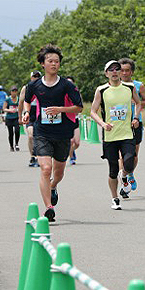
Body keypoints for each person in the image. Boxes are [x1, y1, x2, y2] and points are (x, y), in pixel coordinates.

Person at [22, 44, 83, 222]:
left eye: (56, 61)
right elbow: (27, 101)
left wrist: (60, 109)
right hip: (42, 132)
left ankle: (53, 186)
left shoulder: (66, 86)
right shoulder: (34, 85)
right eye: (50, 61)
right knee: (45, 168)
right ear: (43, 63)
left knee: (58, 173)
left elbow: (79, 107)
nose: (54, 64)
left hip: (63, 133)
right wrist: (26, 113)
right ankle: (49, 208)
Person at [90, 60, 142, 210]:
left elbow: (138, 103)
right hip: (110, 136)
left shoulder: (130, 87)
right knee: (113, 170)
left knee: (129, 163)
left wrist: (136, 117)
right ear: (106, 73)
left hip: (127, 133)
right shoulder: (101, 90)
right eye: (111, 70)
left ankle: (124, 176)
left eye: (117, 69)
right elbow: (93, 111)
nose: (114, 72)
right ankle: (115, 198)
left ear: (120, 72)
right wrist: (103, 124)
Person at [118, 58, 145, 190]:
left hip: (136, 123)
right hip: (120, 123)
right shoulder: (114, 86)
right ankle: (123, 181)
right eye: (122, 70)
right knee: (122, 155)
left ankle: (130, 174)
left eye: (127, 70)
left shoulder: (138, 85)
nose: (124, 73)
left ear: (132, 72)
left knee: (134, 155)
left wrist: (136, 103)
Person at [18, 70, 42, 167]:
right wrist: (20, 117)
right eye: (34, 77)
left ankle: (40, 156)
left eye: (37, 77)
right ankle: (33, 156)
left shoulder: (44, 86)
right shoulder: (26, 88)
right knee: (31, 135)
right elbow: (20, 102)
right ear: (31, 78)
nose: (35, 78)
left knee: (41, 137)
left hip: (40, 114)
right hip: (30, 114)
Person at [66, 76, 81, 165]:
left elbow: (80, 107)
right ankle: (71, 157)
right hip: (67, 121)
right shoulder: (62, 94)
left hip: (75, 120)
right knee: (71, 141)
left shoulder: (76, 94)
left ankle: (70, 151)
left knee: (77, 143)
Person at [3, 86, 20, 151]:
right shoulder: (8, 99)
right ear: (11, 92)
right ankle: (11, 146)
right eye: (13, 91)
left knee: (17, 131)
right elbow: (4, 108)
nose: (14, 92)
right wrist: (10, 110)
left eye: (15, 91)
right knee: (10, 133)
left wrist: (18, 109)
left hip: (16, 117)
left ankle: (16, 144)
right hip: (9, 118)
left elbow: (21, 107)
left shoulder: (18, 99)